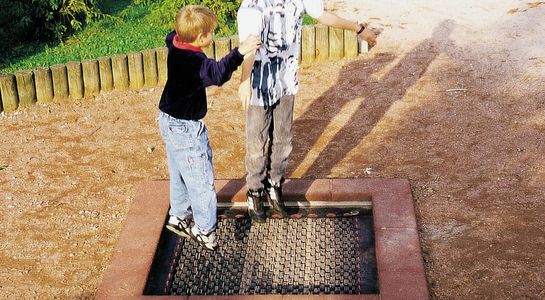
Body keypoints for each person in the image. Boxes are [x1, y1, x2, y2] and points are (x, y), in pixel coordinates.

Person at [237, 0, 377, 222]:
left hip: (286, 81)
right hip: (258, 84)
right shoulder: (252, 6)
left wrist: (359, 29)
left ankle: (274, 185)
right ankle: (254, 191)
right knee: (256, 141)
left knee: (283, 138)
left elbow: (322, 16)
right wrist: (245, 80)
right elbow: (250, 44)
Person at [157, 5, 260, 250]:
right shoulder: (195, 61)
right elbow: (217, 74)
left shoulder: (175, 42)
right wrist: (240, 51)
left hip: (167, 120)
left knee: (180, 172)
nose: (212, 35)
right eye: (210, 32)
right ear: (201, 38)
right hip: (186, 128)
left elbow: (170, 35)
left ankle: (180, 215)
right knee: (201, 180)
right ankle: (205, 230)